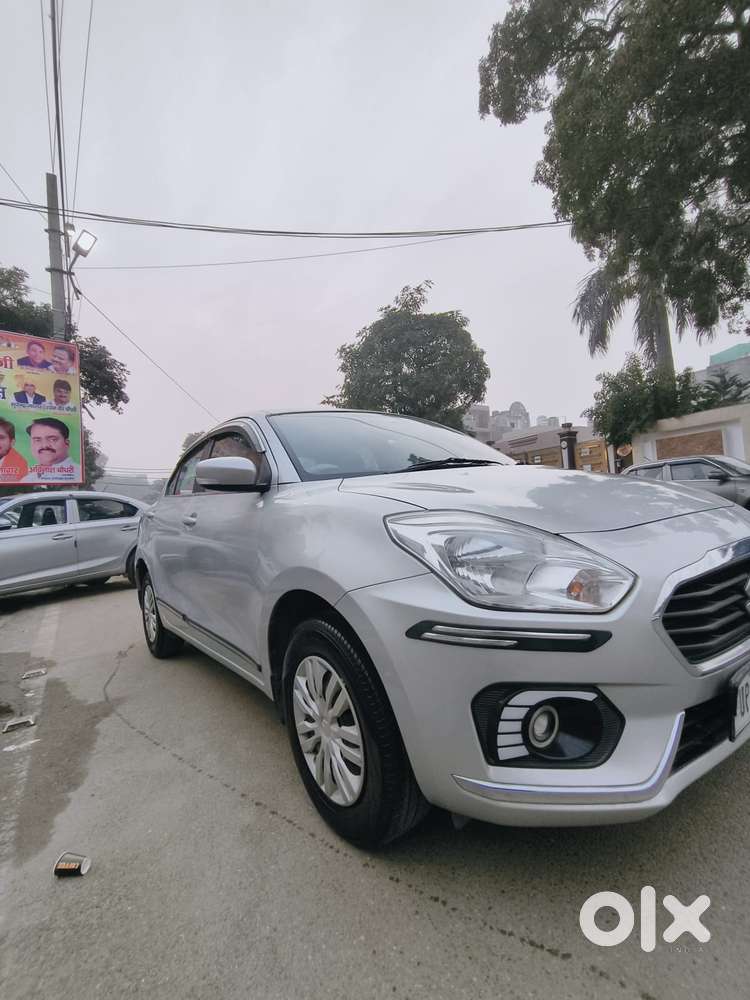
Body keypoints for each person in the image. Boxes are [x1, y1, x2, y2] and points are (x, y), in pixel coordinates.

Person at [22, 417, 80, 482]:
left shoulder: (78, 474)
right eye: (37, 440)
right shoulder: (27, 478)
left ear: (67, 444)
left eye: (52, 439)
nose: (45, 445)